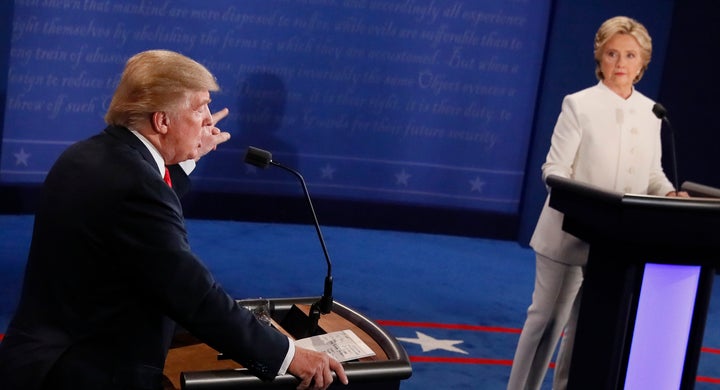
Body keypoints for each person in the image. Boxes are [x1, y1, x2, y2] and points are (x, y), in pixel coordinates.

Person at [0, 49, 348, 390]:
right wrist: (287, 356)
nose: (209, 119)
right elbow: (191, 293)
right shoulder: (135, 187)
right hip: (85, 370)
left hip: (39, 357)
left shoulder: (87, 155)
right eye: (199, 109)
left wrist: (185, 156)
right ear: (162, 120)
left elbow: (137, 220)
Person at [506, 16, 687, 390]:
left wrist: (670, 193)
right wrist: (582, 202)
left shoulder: (652, 113)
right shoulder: (579, 105)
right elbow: (553, 169)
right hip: (569, 233)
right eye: (612, 53)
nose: (620, 63)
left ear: (642, 64)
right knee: (547, 323)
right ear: (600, 58)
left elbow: (652, 174)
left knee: (587, 330)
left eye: (630, 55)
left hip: (617, 243)